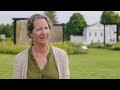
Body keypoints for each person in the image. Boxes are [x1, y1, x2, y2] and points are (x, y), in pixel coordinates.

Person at [13, 14, 70, 79]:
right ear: (30, 34)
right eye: (39, 29)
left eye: (46, 28)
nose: (44, 32)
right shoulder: (20, 59)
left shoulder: (62, 56)